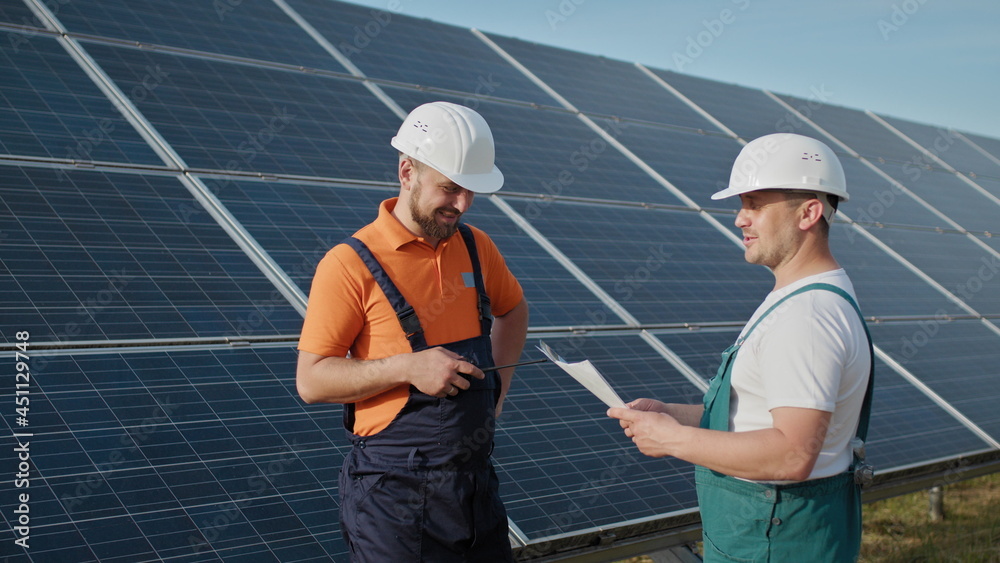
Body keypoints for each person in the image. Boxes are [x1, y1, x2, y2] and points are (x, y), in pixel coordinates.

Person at [608, 133, 874, 562]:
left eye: (755, 204)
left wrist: (675, 441)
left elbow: (791, 453)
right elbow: (761, 417)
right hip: (775, 532)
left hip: (775, 540)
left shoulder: (805, 317)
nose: (740, 219)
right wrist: (673, 416)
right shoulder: (804, 298)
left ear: (809, 212)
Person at [297, 101, 529, 562]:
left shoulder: (476, 246)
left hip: (475, 488)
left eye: (470, 192)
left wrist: (498, 391)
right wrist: (408, 367)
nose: (461, 204)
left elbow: (514, 310)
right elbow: (312, 379)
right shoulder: (349, 264)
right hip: (393, 500)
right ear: (407, 172)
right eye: (449, 188)